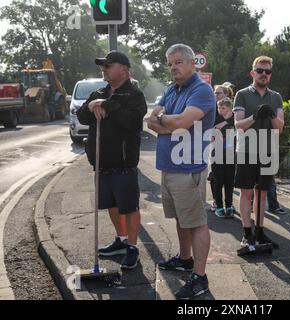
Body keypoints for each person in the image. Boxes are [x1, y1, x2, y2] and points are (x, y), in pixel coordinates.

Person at [147, 44, 215, 300]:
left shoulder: (202, 90)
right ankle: (185, 259)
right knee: (180, 218)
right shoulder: (170, 89)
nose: (174, 67)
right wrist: (169, 122)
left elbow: (182, 122)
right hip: (169, 166)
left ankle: (200, 277)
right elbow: (152, 120)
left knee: (196, 222)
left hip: (188, 169)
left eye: (178, 62)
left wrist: (168, 121)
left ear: (191, 63)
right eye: (170, 63)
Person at [77, 51, 147, 270]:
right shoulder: (98, 92)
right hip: (101, 161)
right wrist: (90, 106)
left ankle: (132, 247)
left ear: (123, 70)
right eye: (103, 66)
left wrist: (107, 105)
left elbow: (133, 121)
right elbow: (81, 116)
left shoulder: (134, 95)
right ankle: (121, 239)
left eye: (108, 65)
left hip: (124, 162)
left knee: (129, 206)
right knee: (111, 204)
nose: (103, 69)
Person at [233, 56, 285, 250]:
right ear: (252, 72)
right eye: (260, 70)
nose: (264, 74)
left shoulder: (276, 97)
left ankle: (261, 232)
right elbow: (238, 125)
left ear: (270, 75)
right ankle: (247, 234)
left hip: (268, 149)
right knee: (246, 193)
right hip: (247, 149)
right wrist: (255, 116)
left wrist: (271, 114)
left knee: (262, 194)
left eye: (267, 71)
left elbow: (280, 127)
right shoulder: (242, 94)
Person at [209, 84, 234, 212]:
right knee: (218, 181)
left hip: (231, 155)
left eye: (223, 108)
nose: (220, 110)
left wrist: (226, 122)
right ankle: (218, 205)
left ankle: (229, 205)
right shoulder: (214, 117)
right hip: (216, 153)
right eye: (219, 107)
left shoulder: (234, 118)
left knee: (229, 182)